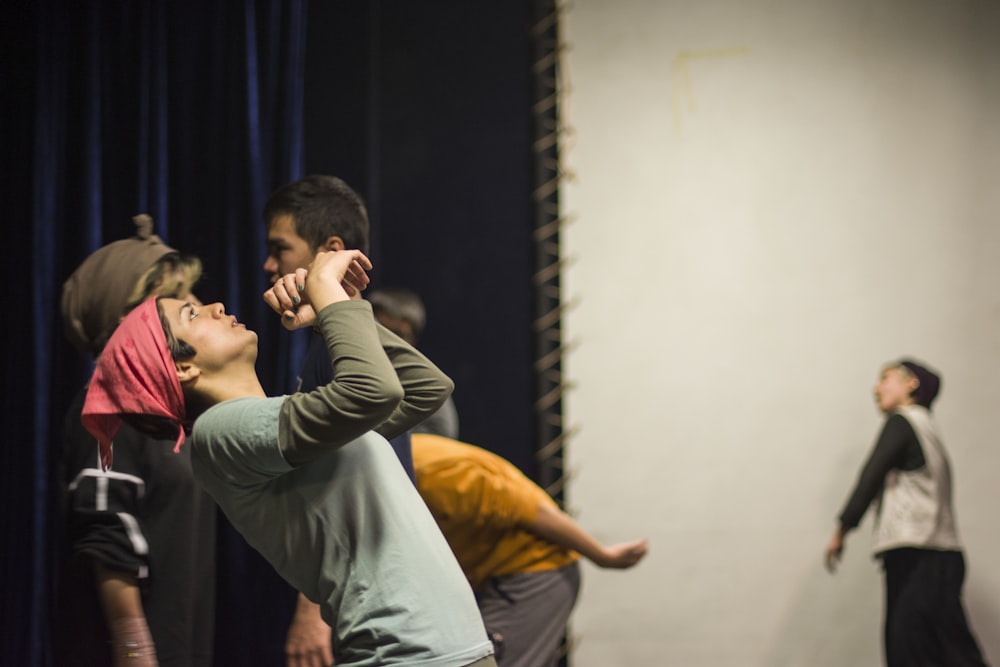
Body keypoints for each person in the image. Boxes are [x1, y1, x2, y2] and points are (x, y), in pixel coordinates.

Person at [82, 249, 496, 667]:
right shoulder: (217, 433)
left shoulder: (284, 425)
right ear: (183, 368)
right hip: (408, 655)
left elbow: (426, 387)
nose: (216, 306)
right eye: (192, 314)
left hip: (447, 650)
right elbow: (375, 391)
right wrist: (326, 292)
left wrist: (336, 310)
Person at [262, 175, 421, 664]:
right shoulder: (333, 343)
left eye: (280, 248)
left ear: (329, 249)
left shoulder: (342, 351)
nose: (270, 264)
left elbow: (340, 484)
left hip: (367, 595)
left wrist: (311, 614)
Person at [57, 214, 216, 667]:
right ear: (131, 319)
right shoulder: (106, 405)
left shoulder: (165, 412)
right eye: (178, 299)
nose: (198, 304)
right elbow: (108, 539)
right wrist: (136, 655)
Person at [411, 433, 649, 667]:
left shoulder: (436, 472)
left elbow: (535, 511)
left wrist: (602, 556)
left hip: (534, 573)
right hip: (496, 574)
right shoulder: (407, 461)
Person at [824, 359, 989, 667]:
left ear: (910, 383)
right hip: (937, 556)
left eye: (885, 379)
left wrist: (842, 530)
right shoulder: (928, 430)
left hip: (920, 556)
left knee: (919, 650)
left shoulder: (903, 422)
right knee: (934, 648)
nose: (877, 388)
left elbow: (870, 476)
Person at [369, 287, 460, 439]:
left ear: (412, 340)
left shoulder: (421, 378)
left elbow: (442, 436)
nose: (387, 340)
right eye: (382, 331)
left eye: (397, 334)